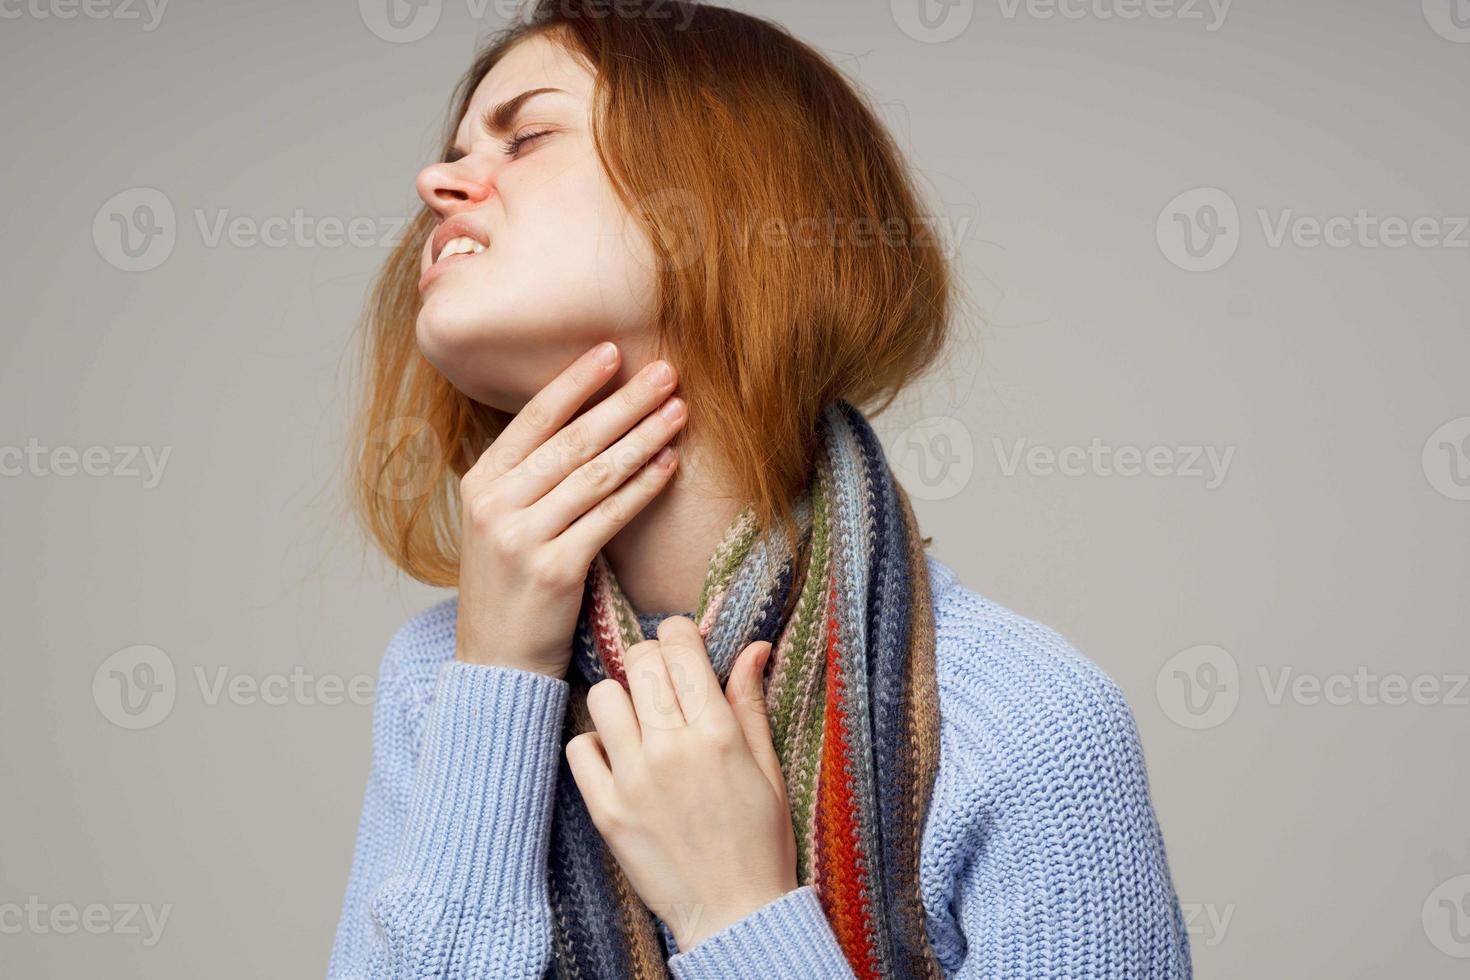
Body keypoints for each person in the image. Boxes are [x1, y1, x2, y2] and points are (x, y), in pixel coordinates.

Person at [329, 2, 1193, 976]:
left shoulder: (1020, 715)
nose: (436, 182)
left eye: (525, 137)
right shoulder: (437, 680)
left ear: (722, 200)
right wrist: (496, 684)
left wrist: (735, 909)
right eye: (455, 150)